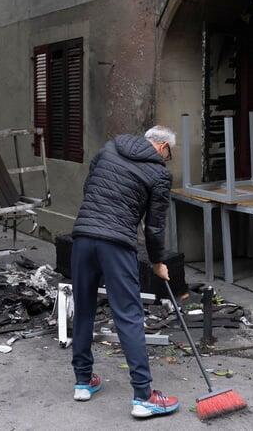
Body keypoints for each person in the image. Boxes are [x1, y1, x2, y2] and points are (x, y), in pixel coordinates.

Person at [70, 125, 180, 419]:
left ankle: (83, 381)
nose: (167, 159)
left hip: (82, 237)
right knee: (129, 316)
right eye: (169, 154)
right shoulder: (159, 174)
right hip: (116, 245)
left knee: (83, 309)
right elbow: (154, 227)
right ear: (162, 147)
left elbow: (89, 187)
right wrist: (157, 262)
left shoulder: (109, 148)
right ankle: (143, 397)